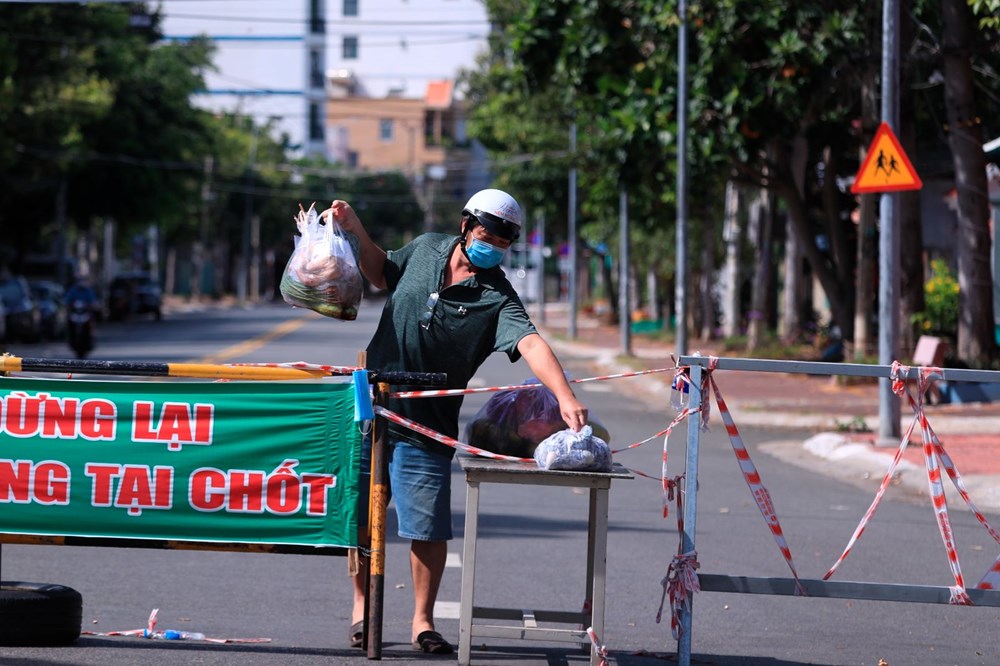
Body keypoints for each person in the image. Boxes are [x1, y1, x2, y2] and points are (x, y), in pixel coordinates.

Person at [328, 188, 588, 655]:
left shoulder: (497, 296)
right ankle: (362, 609)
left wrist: (564, 395)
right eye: (487, 236)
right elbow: (379, 269)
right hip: (371, 408)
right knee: (363, 516)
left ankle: (422, 621)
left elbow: (529, 343)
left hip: (428, 425)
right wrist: (355, 228)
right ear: (466, 225)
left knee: (427, 527)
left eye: (504, 243)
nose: (493, 247)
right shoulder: (427, 246)